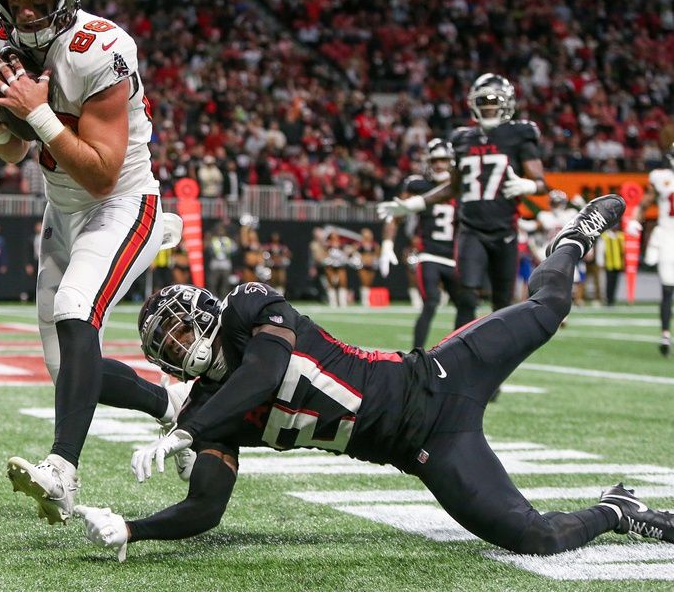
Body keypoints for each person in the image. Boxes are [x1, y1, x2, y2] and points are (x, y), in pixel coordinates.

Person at [76, 195, 674, 562]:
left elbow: (265, 372)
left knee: (549, 309)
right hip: (428, 448)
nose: (185, 345)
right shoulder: (211, 412)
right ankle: (619, 511)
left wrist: (187, 426)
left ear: (207, 311)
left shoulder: (247, 310)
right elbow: (205, 506)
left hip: (438, 373)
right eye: (171, 346)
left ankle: (572, 240)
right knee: (532, 537)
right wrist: (135, 527)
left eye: (184, 329)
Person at [0, 0, 181, 524]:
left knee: (75, 310)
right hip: (61, 210)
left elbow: (100, 175)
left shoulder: (102, 47)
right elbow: (10, 153)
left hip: (122, 204)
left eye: (39, 1)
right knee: (68, 371)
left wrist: (34, 112)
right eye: (16, 4)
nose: (27, 15)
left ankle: (62, 471)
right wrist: (0, 122)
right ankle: (174, 401)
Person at [380, 74, 547, 324]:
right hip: (471, 230)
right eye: (483, 100)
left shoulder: (519, 134)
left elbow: (543, 184)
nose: (488, 105)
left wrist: (530, 185)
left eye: (493, 99)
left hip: (505, 230)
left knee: (503, 302)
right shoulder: (461, 139)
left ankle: (500, 357)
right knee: (466, 296)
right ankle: (461, 357)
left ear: (507, 102)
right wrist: (414, 204)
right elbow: (452, 188)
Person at [382, 140, 470, 348]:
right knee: (431, 301)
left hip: (454, 257)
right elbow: (395, 215)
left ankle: (460, 353)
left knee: (466, 305)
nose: (439, 164)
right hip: (428, 254)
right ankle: (417, 355)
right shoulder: (418, 185)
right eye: (435, 160)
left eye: (444, 160)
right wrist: (387, 244)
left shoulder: (463, 187)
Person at [629, 145, 674, 355]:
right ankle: (665, 333)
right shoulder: (662, 178)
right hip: (668, 236)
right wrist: (634, 219)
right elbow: (646, 201)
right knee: (667, 287)